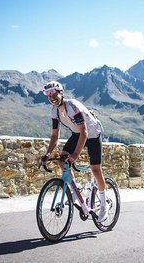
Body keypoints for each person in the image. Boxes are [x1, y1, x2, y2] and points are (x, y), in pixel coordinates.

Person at [40, 80, 108, 223]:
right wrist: (47, 154)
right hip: (78, 134)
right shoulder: (54, 111)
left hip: (93, 133)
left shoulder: (73, 107)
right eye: (48, 95)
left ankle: (103, 203)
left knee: (95, 169)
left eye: (53, 93)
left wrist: (75, 155)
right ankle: (76, 191)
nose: (51, 97)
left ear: (61, 93)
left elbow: (85, 133)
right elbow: (54, 136)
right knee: (61, 160)